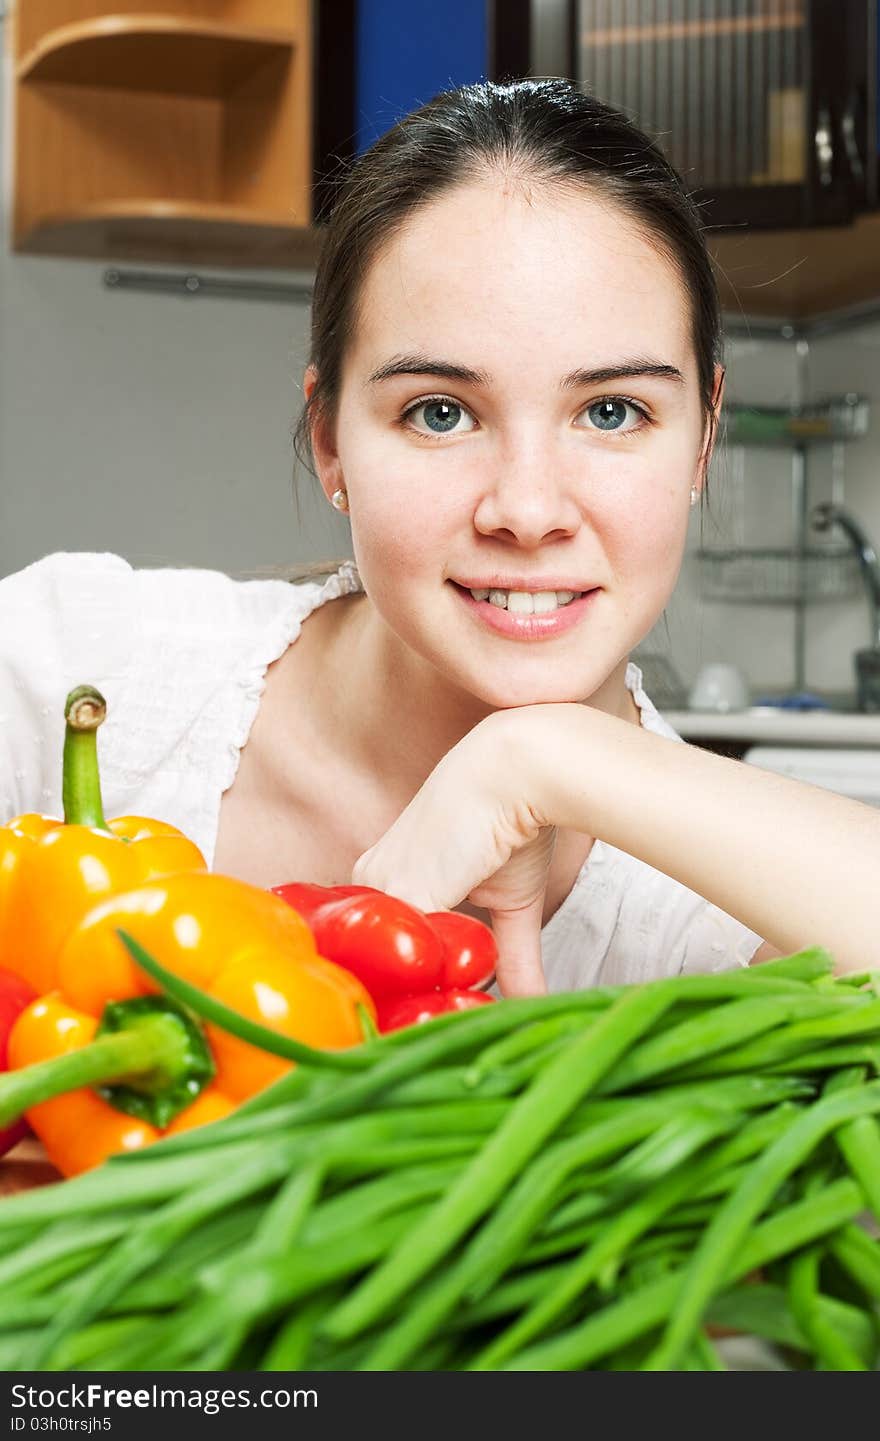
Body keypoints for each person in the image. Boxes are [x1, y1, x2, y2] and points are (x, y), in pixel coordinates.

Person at [2, 79, 879, 997]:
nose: (528, 509)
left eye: (612, 411)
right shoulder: (77, 677)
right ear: (332, 439)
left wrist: (546, 760)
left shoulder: (726, 907)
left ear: (703, 436)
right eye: (441, 412)